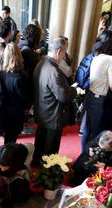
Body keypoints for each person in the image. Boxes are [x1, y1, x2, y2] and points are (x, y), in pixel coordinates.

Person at [32, 37, 76, 166]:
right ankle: (47, 172)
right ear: (59, 52)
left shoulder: (41, 62)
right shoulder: (54, 71)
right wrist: (74, 90)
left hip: (42, 110)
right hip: (52, 115)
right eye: (65, 51)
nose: (65, 55)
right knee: (50, 151)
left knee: (40, 143)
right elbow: (64, 97)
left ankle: (36, 162)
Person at [0, 43, 28, 143]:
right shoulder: (20, 77)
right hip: (15, 113)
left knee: (8, 138)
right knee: (12, 140)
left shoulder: (2, 74)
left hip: (4, 110)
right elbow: (23, 98)